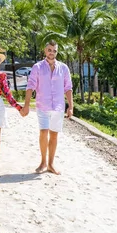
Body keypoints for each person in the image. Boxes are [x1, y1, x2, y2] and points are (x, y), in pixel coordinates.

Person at [20, 40, 73, 175]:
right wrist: (26, 106)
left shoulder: (64, 68)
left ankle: (51, 164)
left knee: (54, 135)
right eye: (49, 50)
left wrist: (70, 106)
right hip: (42, 106)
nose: (52, 53)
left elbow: (68, 88)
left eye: (54, 50)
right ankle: (43, 162)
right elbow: (30, 86)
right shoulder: (37, 67)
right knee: (43, 132)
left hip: (58, 107)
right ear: (45, 51)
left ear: (57, 52)